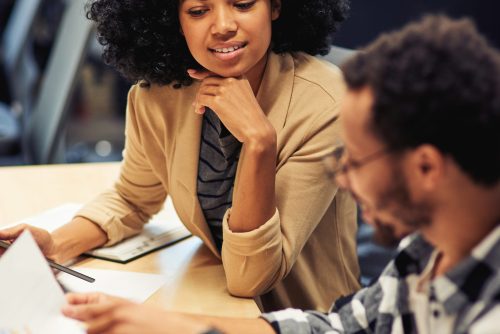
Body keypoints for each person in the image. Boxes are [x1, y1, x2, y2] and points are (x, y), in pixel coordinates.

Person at [62, 15, 500, 333]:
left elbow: (264, 283)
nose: (343, 179)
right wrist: (166, 325)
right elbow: (340, 328)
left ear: (426, 167)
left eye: (354, 161)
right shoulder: (425, 255)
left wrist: (259, 143)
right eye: (198, 9)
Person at [0, 0, 360, 311]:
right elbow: (132, 198)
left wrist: (259, 142)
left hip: (302, 318)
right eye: (199, 10)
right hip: (213, 301)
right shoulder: (159, 97)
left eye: (244, 4)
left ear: (275, 6)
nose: (223, 26)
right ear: (175, 20)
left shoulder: (325, 104)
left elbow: (252, 278)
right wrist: (54, 245)